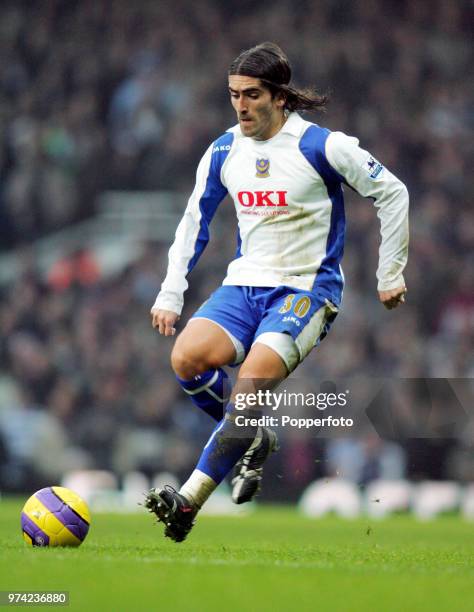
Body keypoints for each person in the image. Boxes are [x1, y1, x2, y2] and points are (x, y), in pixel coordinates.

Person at [144, 42, 409, 542]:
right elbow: (193, 222)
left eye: (251, 95)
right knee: (186, 360)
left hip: (306, 291)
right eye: (233, 95)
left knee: (249, 385)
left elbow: (392, 191)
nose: (241, 106)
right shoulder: (224, 149)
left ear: (279, 96)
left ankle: (188, 502)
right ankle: (253, 435)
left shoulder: (321, 147)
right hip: (244, 286)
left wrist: (388, 273)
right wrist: (169, 294)